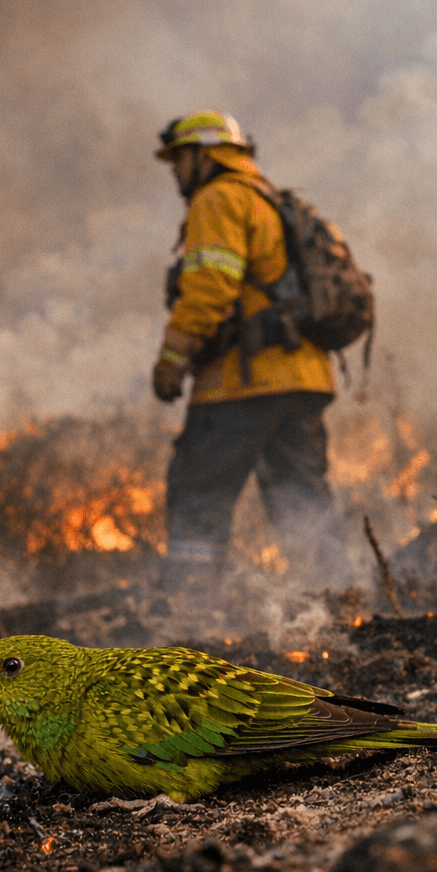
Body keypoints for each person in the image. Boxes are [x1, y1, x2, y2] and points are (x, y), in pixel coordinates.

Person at [150, 110, 340, 590]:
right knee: (302, 503)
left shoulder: (218, 198)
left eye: (178, 160)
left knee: (198, 490)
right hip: (303, 378)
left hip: (243, 382)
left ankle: (190, 615)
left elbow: (210, 290)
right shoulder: (270, 200)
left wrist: (172, 362)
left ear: (202, 154)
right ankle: (336, 604)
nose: (175, 171)